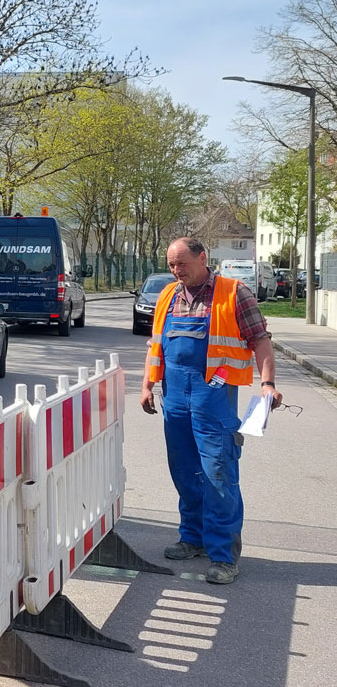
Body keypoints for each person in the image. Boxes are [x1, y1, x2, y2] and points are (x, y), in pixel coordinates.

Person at [140, 237, 282, 585]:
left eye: (182, 263)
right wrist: (147, 384)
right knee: (185, 472)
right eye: (172, 264)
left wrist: (267, 384)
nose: (176, 271)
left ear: (203, 258)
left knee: (218, 474)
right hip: (175, 397)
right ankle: (193, 538)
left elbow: (260, 340)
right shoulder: (168, 296)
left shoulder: (235, 294)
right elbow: (156, 343)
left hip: (214, 400)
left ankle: (223, 555)